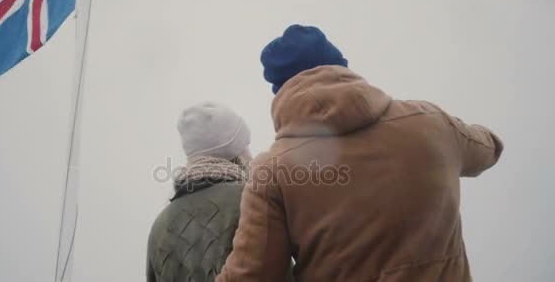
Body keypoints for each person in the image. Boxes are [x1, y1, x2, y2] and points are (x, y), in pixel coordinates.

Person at [216, 25, 504, 282]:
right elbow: (489, 148)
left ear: (280, 91)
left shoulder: (273, 170)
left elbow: (252, 274)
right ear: (343, 68)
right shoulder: (432, 123)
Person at [147, 102, 252, 282]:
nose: (251, 154)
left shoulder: (160, 225)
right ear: (236, 153)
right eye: (245, 146)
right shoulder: (250, 201)